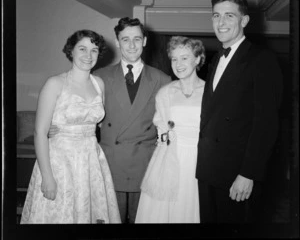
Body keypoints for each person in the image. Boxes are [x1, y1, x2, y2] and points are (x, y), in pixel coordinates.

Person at [196, 0, 283, 223]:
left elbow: (266, 124)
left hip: (236, 174)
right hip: (208, 170)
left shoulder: (261, 58)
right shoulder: (215, 59)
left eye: (229, 16)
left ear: (244, 20)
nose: (221, 23)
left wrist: (248, 173)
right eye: (216, 16)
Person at [21, 30, 121, 224]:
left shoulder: (99, 84)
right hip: (60, 162)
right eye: (82, 49)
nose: (88, 55)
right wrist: (47, 177)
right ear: (71, 51)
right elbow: (39, 133)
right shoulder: (55, 83)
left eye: (94, 50)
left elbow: (96, 124)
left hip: (91, 161)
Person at [93, 17, 171, 223]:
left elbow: (169, 124)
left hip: (144, 164)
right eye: (125, 39)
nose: (132, 45)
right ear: (117, 42)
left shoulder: (163, 79)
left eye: (137, 39)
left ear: (145, 41)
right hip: (110, 163)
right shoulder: (99, 76)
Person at [135, 36, 206, 223]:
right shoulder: (165, 92)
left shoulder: (210, 92)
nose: (178, 64)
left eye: (184, 58)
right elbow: (161, 131)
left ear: (198, 59)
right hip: (169, 159)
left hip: (200, 159)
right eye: (174, 59)